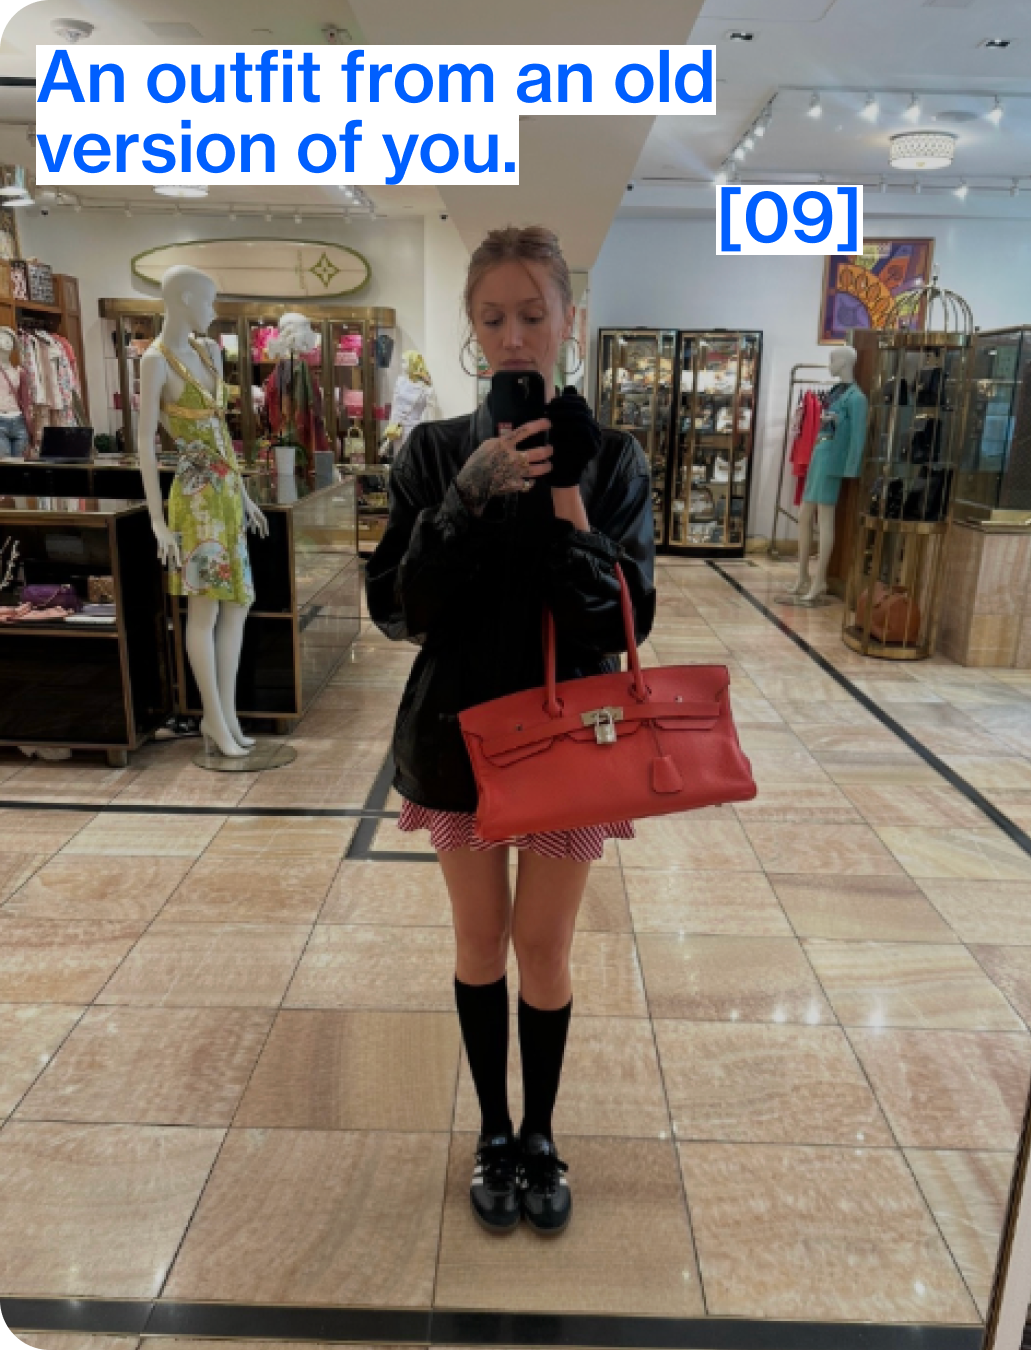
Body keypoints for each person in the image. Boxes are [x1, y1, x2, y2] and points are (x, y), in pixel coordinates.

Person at [366, 225, 656, 1239]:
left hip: (574, 745)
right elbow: (397, 609)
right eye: (494, 318)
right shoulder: (433, 451)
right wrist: (465, 495)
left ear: (571, 318)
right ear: (472, 329)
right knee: (481, 940)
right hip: (457, 742)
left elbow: (625, 617)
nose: (515, 336)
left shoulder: (612, 458)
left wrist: (566, 489)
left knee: (545, 946)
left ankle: (541, 1132)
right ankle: (494, 1129)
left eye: (534, 314)